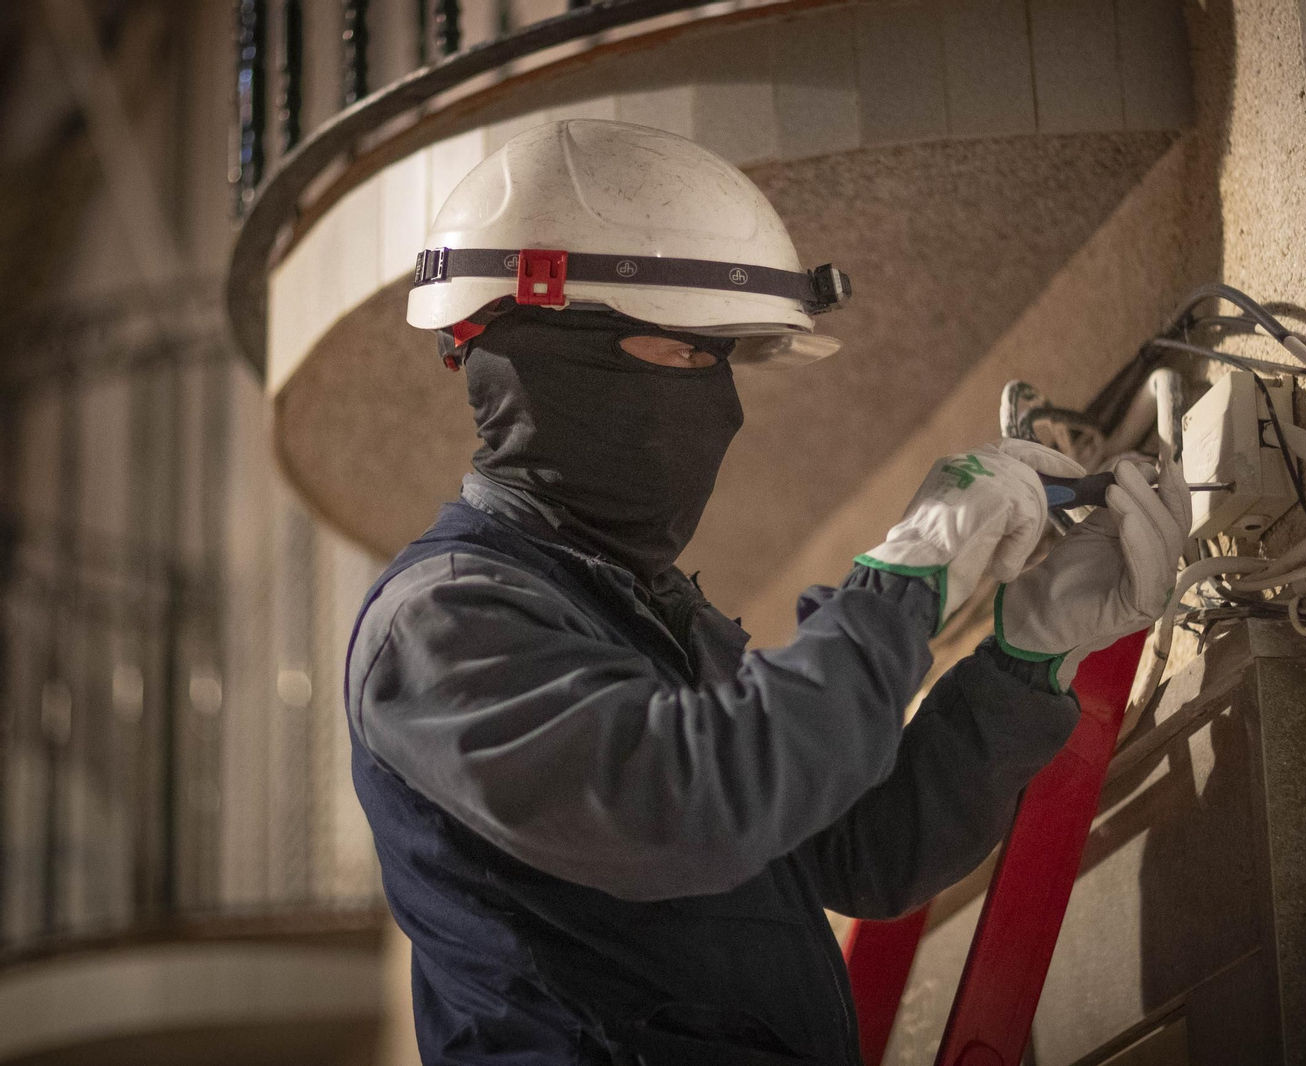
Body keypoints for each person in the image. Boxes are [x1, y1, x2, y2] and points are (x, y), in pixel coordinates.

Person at [346, 119, 1189, 1066]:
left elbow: (866, 851)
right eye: (682, 356)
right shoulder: (441, 624)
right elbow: (697, 802)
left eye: (725, 363)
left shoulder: (637, 606)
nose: (720, 404)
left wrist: (1028, 654)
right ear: (539, 352)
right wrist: (900, 581)